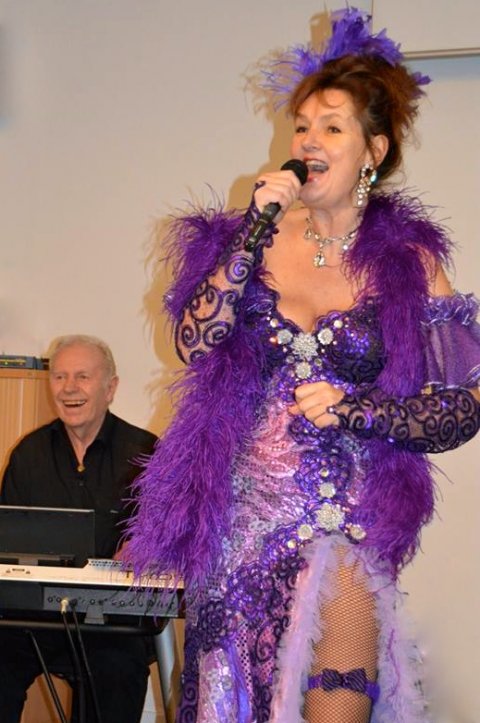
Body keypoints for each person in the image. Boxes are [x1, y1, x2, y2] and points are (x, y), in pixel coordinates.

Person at [123, 7, 480, 723]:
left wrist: (360, 410)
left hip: (344, 527)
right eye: (302, 126)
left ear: (373, 149)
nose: (310, 141)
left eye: (332, 128)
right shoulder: (247, 238)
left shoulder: (411, 261)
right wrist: (253, 228)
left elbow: (463, 405)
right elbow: (194, 342)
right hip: (239, 529)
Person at [0, 334, 157, 723]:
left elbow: (171, 536)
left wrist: (145, 547)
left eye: (83, 377)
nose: (69, 388)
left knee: (117, 674)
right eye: (59, 377)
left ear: (111, 388)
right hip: (34, 617)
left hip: (113, 623)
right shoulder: (28, 454)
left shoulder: (146, 453)